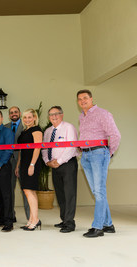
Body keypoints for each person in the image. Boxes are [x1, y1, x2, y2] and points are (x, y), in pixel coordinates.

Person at [77, 89, 121, 238]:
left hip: (98, 154)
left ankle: (98, 227)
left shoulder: (103, 113)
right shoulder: (81, 117)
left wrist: (109, 153)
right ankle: (108, 224)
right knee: (97, 192)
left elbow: (115, 135)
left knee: (99, 191)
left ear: (91, 99)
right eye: (79, 99)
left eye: (85, 98)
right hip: (86, 155)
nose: (82, 101)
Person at [41, 106, 79, 233]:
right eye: (51, 114)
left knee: (69, 194)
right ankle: (64, 220)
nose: (54, 116)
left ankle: (70, 223)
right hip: (54, 166)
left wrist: (59, 161)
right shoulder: (47, 132)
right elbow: (44, 149)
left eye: (56, 114)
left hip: (68, 164)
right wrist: (48, 162)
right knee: (60, 194)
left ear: (62, 115)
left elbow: (71, 147)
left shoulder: (69, 127)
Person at [15, 109, 43, 231]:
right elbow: (22, 150)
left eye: (30, 117)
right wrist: (18, 165)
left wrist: (32, 165)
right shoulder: (24, 131)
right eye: (25, 117)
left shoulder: (36, 130)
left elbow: (37, 148)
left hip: (32, 163)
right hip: (24, 163)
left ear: (34, 118)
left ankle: (35, 220)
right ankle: (32, 219)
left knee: (28, 191)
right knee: (30, 192)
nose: (27, 119)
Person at [5, 106, 30, 222]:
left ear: (19, 113)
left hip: (23, 160)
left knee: (26, 189)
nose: (13, 114)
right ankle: (11, 216)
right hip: (8, 161)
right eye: (11, 113)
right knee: (9, 190)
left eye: (15, 112)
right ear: (9, 115)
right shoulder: (5, 127)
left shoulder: (26, 126)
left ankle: (31, 217)